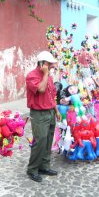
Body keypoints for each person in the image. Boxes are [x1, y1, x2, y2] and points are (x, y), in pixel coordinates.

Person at [26, 51, 60, 182]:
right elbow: (41, 89)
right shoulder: (31, 76)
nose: (51, 66)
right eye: (49, 64)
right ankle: (32, 168)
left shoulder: (49, 77)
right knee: (39, 141)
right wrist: (45, 74)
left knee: (48, 141)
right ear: (42, 63)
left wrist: (56, 110)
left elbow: (51, 96)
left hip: (50, 112)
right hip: (38, 113)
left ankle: (44, 166)